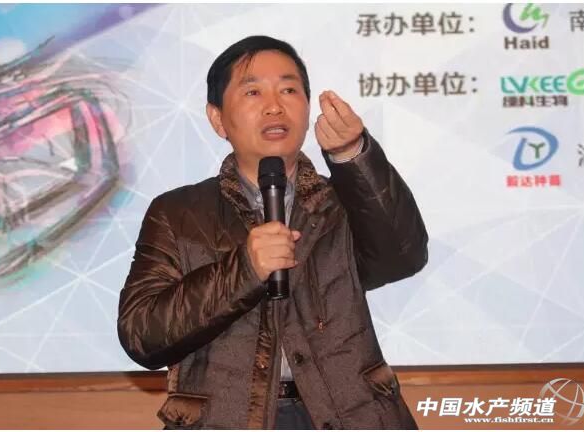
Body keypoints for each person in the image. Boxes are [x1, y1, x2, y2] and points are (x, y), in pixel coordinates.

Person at [117, 35, 428, 429]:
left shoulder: (345, 201)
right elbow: (142, 334)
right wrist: (245, 268)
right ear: (217, 118)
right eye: (253, 91)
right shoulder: (177, 213)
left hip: (351, 415)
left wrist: (353, 155)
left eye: (288, 90)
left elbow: (404, 255)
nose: (275, 105)